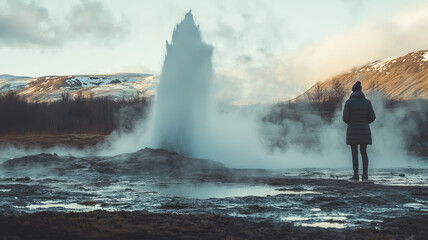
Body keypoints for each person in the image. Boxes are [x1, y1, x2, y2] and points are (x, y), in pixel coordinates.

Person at [342, 81, 376, 180]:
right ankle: (365, 175)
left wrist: (351, 122)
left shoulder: (349, 102)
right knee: (364, 152)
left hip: (352, 131)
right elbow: (373, 117)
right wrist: (365, 123)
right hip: (365, 130)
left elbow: (345, 118)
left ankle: (356, 175)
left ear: (353, 91)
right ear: (361, 91)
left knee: (354, 152)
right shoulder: (367, 102)